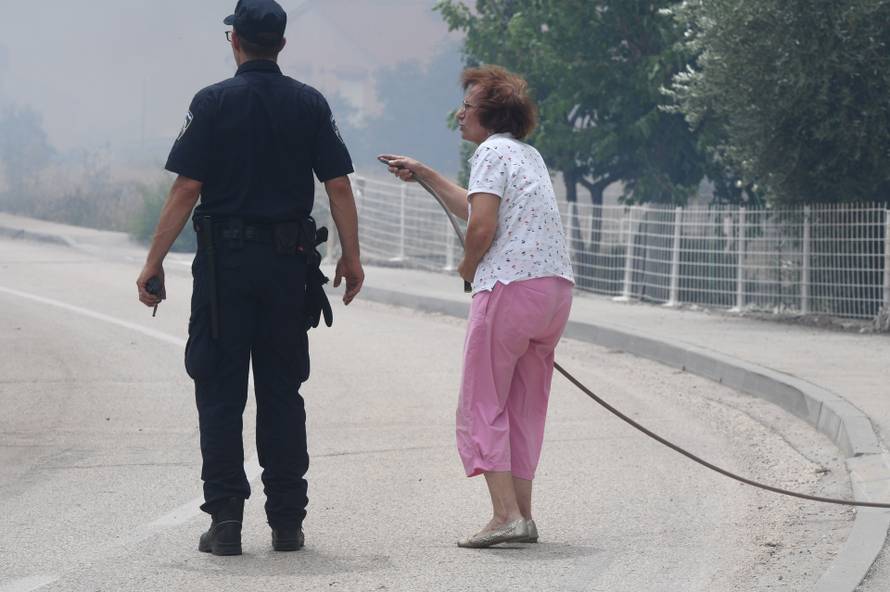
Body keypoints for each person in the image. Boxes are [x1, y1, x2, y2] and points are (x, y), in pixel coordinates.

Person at [136, 0, 363, 556]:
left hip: (225, 272)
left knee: (220, 392)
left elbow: (187, 189)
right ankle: (288, 522)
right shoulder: (311, 103)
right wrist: (351, 258)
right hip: (289, 270)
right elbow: (337, 186)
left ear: (233, 40)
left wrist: (153, 261)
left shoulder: (212, 102)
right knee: (283, 393)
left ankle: (227, 523)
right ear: (281, 44)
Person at [380, 65, 574, 548]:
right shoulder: (526, 154)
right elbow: (475, 205)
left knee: (483, 402)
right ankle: (523, 515)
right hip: (552, 293)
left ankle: (505, 515)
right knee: (525, 407)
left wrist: (468, 267)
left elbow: (482, 228)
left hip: (508, 288)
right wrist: (424, 173)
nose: (459, 114)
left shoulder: (489, 152)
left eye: (466, 107)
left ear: (487, 115)